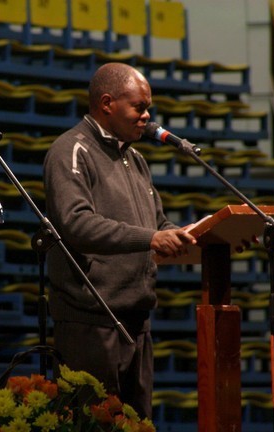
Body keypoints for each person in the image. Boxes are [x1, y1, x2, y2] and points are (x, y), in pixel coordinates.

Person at [43, 62, 197, 419]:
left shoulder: (135, 158)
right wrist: (152, 237)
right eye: (139, 107)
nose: (146, 116)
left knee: (137, 424)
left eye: (148, 108)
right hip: (92, 321)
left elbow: (155, 223)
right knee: (92, 424)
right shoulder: (72, 150)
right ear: (107, 103)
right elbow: (76, 225)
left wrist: (197, 236)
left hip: (136, 320)